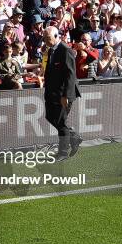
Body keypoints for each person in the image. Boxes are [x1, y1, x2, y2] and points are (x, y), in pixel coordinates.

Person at [43, 26, 82, 160]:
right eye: (45, 38)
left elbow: (70, 75)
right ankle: (73, 136)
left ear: (56, 36)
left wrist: (65, 96)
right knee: (50, 117)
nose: (46, 41)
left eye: (48, 38)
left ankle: (63, 152)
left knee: (60, 122)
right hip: (52, 92)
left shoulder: (65, 50)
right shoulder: (51, 50)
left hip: (64, 94)